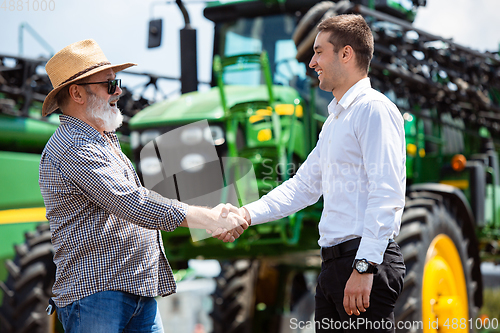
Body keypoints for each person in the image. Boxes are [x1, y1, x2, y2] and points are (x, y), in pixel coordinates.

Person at [39, 39, 248, 333]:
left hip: (132, 292)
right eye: (110, 85)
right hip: (98, 297)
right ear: (77, 93)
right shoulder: (75, 146)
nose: (119, 91)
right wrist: (210, 218)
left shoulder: (103, 141)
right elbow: (131, 202)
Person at [217, 14, 406, 332]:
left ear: (346, 54)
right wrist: (246, 214)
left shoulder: (374, 109)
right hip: (334, 266)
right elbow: (302, 186)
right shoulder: (334, 122)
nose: (312, 62)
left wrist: (364, 266)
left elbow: (387, 192)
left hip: (362, 262)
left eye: (319, 52)